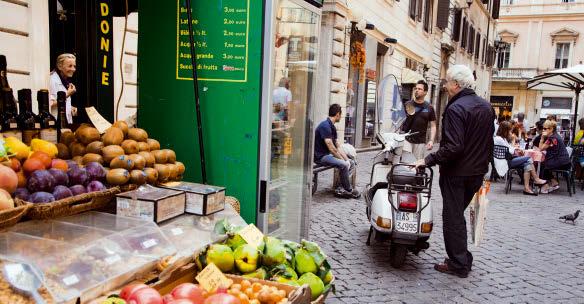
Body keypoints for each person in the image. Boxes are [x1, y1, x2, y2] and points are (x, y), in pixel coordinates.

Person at [414, 65, 495, 278]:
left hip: (457, 173)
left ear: (456, 85)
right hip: (476, 172)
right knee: (457, 214)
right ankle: (463, 258)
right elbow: (488, 142)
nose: (445, 85)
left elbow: (454, 146)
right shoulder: (486, 107)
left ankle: (458, 263)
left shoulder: (455, 108)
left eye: (448, 82)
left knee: (453, 217)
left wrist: (428, 159)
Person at [314, 104, 360, 198]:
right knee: (343, 165)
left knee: (351, 162)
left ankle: (342, 187)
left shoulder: (332, 127)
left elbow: (338, 147)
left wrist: (346, 159)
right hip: (320, 156)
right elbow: (331, 148)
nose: (341, 117)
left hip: (328, 155)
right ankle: (348, 190)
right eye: (341, 115)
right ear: (338, 114)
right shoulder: (325, 126)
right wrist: (343, 161)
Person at [493, 121, 547, 195]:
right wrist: (515, 147)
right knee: (529, 158)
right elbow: (510, 151)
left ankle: (527, 189)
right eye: (509, 130)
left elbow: (509, 148)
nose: (510, 132)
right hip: (505, 162)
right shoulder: (499, 139)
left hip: (507, 160)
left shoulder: (501, 138)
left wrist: (516, 148)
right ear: (505, 130)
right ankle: (536, 179)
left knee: (527, 165)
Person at [401, 80, 437, 160]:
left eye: (419, 89)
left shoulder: (429, 107)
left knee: (416, 165)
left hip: (420, 141)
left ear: (425, 92)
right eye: (415, 88)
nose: (416, 90)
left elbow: (433, 126)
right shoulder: (408, 104)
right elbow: (399, 120)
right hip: (406, 139)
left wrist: (431, 140)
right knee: (405, 163)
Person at [538, 120, 571, 194]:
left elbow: (541, 148)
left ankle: (545, 185)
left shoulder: (552, 138)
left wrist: (542, 138)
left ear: (551, 129)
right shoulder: (555, 136)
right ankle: (554, 182)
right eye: (543, 128)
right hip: (565, 162)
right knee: (544, 164)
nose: (543, 130)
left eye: (545, 129)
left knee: (543, 165)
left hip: (561, 162)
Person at [49, 53, 78, 124]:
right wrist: (67, 94)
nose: (73, 69)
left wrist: (70, 108)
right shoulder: (52, 80)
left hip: (65, 122)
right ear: (60, 67)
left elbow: (59, 102)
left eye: (74, 66)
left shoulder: (65, 81)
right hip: (56, 123)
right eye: (70, 66)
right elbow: (50, 104)